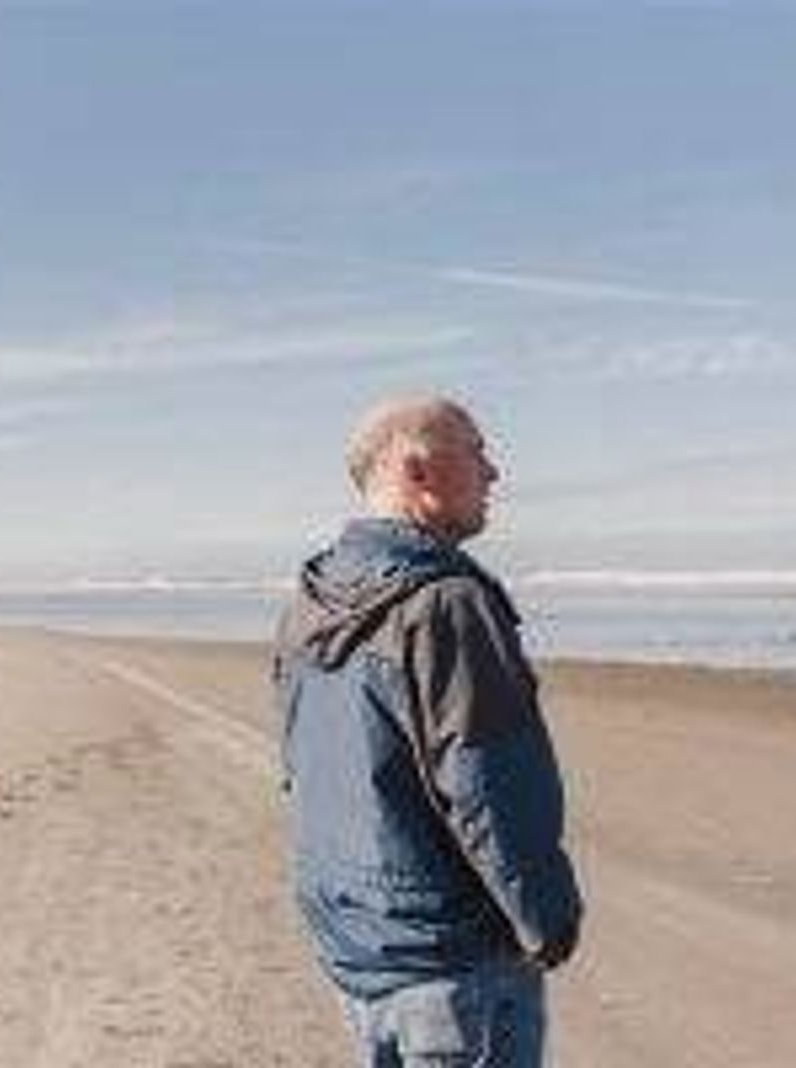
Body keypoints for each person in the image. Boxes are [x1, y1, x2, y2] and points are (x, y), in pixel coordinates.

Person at [273, 395, 582, 1067]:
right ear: (419, 471)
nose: (493, 472)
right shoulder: (446, 603)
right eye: (475, 451)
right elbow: (489, 784)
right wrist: (549, 920)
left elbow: (300, 771)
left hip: (360, 944)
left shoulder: (314, 596)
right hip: (450, 960)